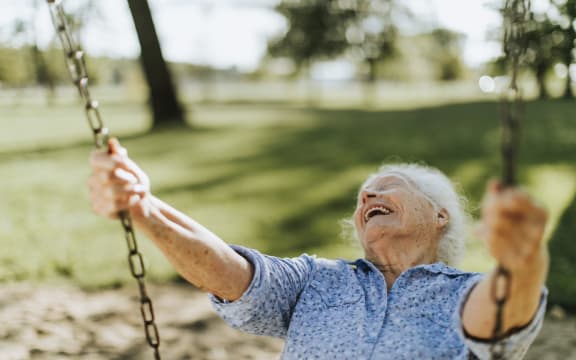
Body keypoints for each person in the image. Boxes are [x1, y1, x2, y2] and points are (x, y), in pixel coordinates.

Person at [88, 138, 548, 359]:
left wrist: (521, 259)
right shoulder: (317, 280)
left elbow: (498, 317)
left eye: (389, 187)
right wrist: (143, 207)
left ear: (439, 215)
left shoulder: (465, 291)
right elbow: (232, 274)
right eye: (362, 196)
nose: (368, 197)